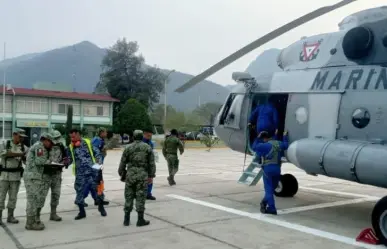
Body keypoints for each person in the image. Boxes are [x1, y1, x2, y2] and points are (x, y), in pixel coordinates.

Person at [118, 130, 156, 227]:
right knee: (140, 197)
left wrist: (121, 173)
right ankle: (140, 220)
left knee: (128, 196)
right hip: (142, 176)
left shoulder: (128, 147)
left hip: (130, 176)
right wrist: (151, 176)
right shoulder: (147, 147)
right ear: (141, 136)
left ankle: (126, 219)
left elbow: (122, 162)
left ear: (133, 137)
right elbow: (152, 163)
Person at [67, 128, 106, 220]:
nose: (72, 139)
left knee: (98, 191)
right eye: (71, 137)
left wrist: (98, 165)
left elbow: (97, 154)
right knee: (79, 192)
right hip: (80, 173)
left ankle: (101, 207)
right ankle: (82, 212)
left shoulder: (88, 143)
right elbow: (70, 159)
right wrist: (64, 163)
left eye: (73, 136)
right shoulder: (71, 146)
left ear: (78, 134)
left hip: (93, 172)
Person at [253, 130, 289, 215]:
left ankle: (272, 208)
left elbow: (254, 147)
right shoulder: (279, 144)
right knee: (274, 187)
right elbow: (286, 145)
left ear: (264, 138)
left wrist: (258, 138)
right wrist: (285, 136)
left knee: (268, 190)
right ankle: (264, 201)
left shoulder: (265, 146)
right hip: (277, 169)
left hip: (268, 170)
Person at [23, 132, 54, 230]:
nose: (51, 144)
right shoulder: (39, 147)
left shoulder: (41, 147)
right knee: (32, 200)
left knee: (35, 199)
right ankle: (30, 223)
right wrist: (51, 162)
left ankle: (33, 221)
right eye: (50, 142)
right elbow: (39, 161)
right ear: (45, 140)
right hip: (33, 177)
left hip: (35, 176)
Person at [0, 128, 28, 225]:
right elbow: (4, 153)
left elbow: (26, 161)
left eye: (23, 137)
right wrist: (20, 154)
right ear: (14, 135)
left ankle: (10, 216)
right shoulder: (5, 144)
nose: (21, 139)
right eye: (20, 137)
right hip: (4, 176)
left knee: (13, 197)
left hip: (16, 177)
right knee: (1, 197)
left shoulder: (24, 148)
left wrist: (25, 157)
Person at [45, 130, 69, 222]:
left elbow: (66, 158)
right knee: (41, 195)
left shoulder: (62, 147)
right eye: (55, 138)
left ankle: (53, 213)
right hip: (46, 174)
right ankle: (36, 215)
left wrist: (66, 162)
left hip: (57, 174)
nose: (56, 140)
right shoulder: (45, 147)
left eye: (57, 138)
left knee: (56, 194)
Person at [83, 127, 109, 206]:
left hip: (98, 165)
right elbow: (93, 153)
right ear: (101, 133)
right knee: (90, 183)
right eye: (105, 132)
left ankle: (99, 199)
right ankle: (80, 198)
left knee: (99, 183)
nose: (106, 133)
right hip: (95, 165)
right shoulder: (96, 140)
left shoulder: (100, 140)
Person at [142, 128, 156, 200]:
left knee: (150, 179)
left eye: (150, 135)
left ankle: (148, 194)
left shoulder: (150, 142)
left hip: (149, 164)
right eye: (148, 134)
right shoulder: (140, 142)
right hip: (141, 164)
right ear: (144, 133)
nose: (149, 135)